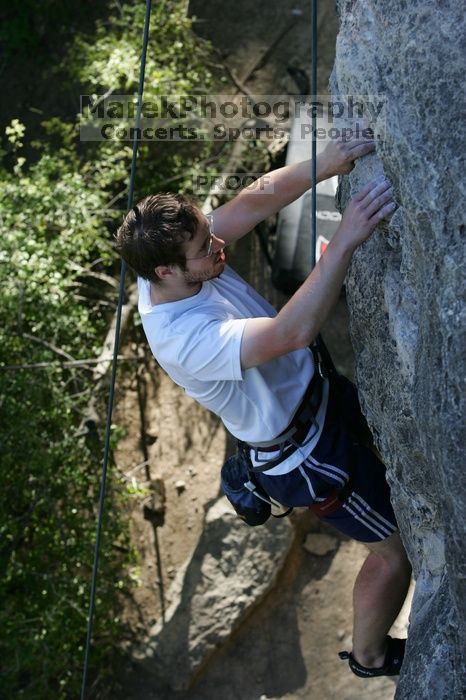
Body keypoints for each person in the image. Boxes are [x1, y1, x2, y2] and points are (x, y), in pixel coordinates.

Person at [115, 135, 412, 678]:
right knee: (396, 550)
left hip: (318, 393)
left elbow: (253, 199)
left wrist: (326, 164)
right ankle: (370, 656)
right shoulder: (182, 337)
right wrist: (343, 240)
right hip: (307, 452)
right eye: (206, 249)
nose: (218, 246)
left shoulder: (180, 252)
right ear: (165, 274)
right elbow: (290, 332)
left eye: (208, 233)